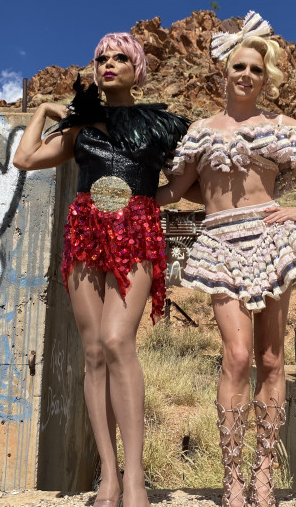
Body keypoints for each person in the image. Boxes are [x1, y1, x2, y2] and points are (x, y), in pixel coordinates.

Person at [156, 12, 296, 507]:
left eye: (255, 70)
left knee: (271, 358)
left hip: (270, 237)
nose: (246, 75)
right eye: (238, 66)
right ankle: (232, 476)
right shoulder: (201, 131)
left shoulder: (279, 127)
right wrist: (121, 193)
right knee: (237, 356)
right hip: (220, 243)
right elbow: (175, 190)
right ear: (224, 72)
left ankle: (263, 472)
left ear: (266, 78)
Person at [13, 32, 189, 507]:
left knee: (116, 340)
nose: (109, 64)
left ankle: (135, 479)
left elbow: (185, 179)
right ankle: (108, 478)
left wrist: (147, 201)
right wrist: (44, 110)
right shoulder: (80, 126)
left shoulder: (159, 124)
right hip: (86, 233)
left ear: (136, 69)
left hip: (136, 233)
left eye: (120, 58)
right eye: (101, 59)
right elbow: (25, 158)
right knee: (92, 352)